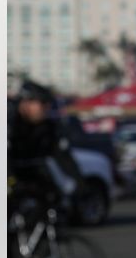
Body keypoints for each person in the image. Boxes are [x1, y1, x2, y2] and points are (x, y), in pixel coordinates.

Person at [7, 80, 83, 221]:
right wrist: (12, 182)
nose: (46, 108)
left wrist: (79, 184)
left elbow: (62, 156)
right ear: (26, 103)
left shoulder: (46, 127)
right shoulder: (9, 123)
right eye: (41, 103)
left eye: (47, 104)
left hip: (32, 177)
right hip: (8, 178)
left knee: (52, 206)